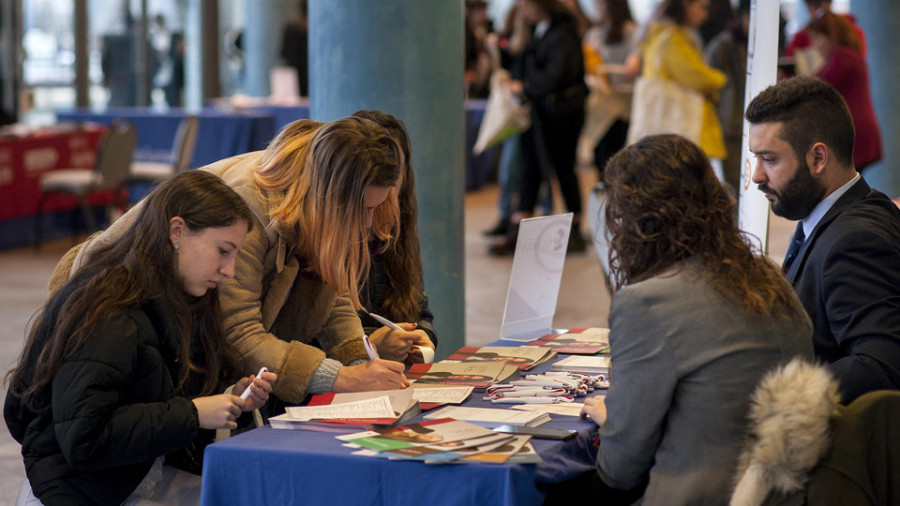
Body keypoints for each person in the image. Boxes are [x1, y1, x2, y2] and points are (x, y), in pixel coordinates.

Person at [57, 116, 415, 408]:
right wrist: (342, 377)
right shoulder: (251, 205)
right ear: (331, 196)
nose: (368, 223)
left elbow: (329, 285)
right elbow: (238, 333)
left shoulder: (317, 186)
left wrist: (358, 363)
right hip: (108, 311)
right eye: (363, 209)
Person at [549, 134, 813, 504]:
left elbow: (621, 469)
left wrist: (618, 424)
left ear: (635, 222)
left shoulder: (645, 303)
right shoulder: (767, 278)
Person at [4, 170, 277, 505]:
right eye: (223, 251)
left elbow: (163, 399)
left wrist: (229, 398)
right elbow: (84, 439)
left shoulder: (182, 295)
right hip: (75, 490)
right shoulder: (108, 309)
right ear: (177, 231)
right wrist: (193, 413)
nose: (230, 270)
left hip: (131, 477)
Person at [747, 75, 900, 403]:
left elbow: (882, 366)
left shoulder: (854, 240)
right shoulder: (837, 215)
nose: (757, 175)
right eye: (755, 158)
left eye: (769, 159)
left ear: (818, 158)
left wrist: (773, 392)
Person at [490, 0, 589, 255]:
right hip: (542, 112)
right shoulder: (541, 29)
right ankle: (518, 229)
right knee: (529, 169)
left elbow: (559, 73)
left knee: (563, 169)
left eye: (525, 4)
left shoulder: (562, 31)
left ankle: (574, 230)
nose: (521, 8)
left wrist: (525, 87)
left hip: (562, 113)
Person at [351, 110, 436, 364]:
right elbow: (323, 333)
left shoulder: (401, 228)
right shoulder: (337, 234)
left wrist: (422, 336)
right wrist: (375, 342)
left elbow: (421, 311)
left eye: (394, 173)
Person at [638, 0, 727, 167]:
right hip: (687, 128)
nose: (705, 14)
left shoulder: (658, 33)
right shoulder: (673, 39)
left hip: (667, 128)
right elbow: (699, 78)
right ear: (686, 4)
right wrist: (720, 79)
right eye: (702, 8)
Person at [806, 12, 882, 172]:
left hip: (854, 135)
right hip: (859, 133)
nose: (815, 45)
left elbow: (816, 89)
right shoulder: (851, 55)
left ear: (830, 36)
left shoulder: (842, 57)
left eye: (817, 38)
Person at [582, 0, 637, 177]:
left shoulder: (630, 31)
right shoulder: (595, 32)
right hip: (602, 103)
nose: (598, 7)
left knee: (618, 157)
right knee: (601, 155)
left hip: (623, 103)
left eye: (601, 3)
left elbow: (637, 60)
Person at [705, 0, 749, 195]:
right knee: (735, 185)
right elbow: (708, 85)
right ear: (742, 16)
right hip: (730, 125)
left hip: (753, 123)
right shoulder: (722, 45)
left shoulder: (760, 43)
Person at [280, 0, 309, 97]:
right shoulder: (313, 31)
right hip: (310, 79)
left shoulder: (291, 28)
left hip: (294, 80)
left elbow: (284, 54)